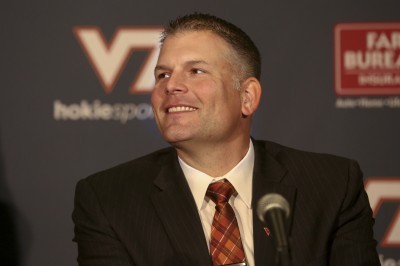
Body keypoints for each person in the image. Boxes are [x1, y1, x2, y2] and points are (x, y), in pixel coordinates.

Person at [72, 13, 380, 265]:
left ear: (247, 97)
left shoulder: (332, 185)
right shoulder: (109, 200)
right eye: (162, 75)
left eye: (196, 71)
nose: (171, 86)